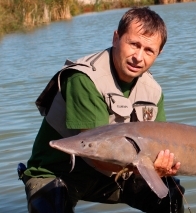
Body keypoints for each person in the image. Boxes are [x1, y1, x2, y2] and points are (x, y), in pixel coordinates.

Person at [21, 7, 185, 213]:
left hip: (115, 175)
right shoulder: (84, 79)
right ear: (116, 38)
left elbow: (159, 148)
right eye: (134, 44)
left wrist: (162, 168)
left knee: (171, 195)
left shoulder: (153, 91)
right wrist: (146, 169)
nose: (139, 57)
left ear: (158, 53)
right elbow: (95, 155)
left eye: (149, 50)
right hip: (59, 172)